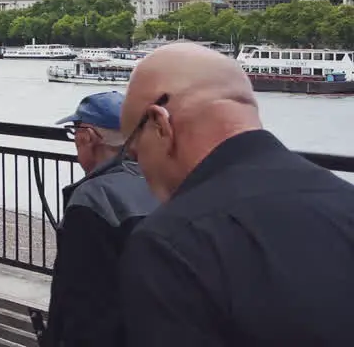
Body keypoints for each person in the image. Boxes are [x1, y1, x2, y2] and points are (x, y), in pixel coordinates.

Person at [119, 43, 354, 346]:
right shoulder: (344, 199)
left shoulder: (171, 243)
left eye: (135, 154)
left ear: (160, 124)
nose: (141, 171)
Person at [42, 91, 157, 347]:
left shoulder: (93, 199)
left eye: (75, 131)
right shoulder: (165, 182)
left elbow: (82, 300)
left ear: (89, 136)